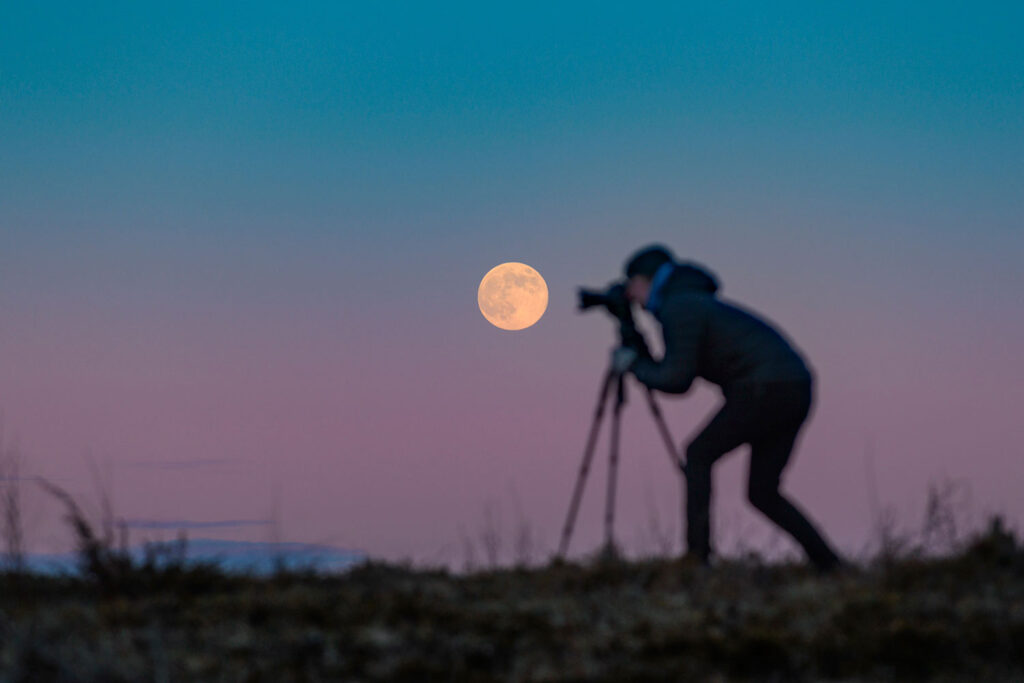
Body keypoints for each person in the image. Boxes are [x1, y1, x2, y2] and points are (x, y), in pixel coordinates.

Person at [612, 244, 843, 573]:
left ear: (647, 280)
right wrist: (636, 347)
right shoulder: (690, 303)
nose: (630, 295)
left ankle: (698, 560)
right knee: (762, 492)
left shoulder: (680, 308)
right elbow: (672, 371)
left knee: (699, 455)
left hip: (765, 387)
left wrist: (634, 365)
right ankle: (831, 565)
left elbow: (677, 379)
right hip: (792, 385)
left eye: (631, 284)